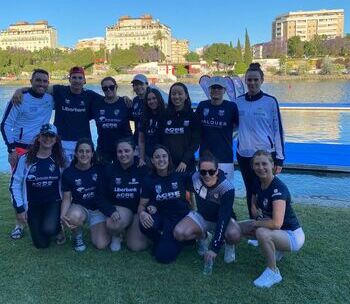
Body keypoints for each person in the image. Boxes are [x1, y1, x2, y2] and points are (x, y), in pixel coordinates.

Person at [1, 69, 54, 239]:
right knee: (20, 185)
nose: (41, 84)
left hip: (43, 147)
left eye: (45, 81)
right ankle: (19, 224)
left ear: (48, 83)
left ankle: (44, 217)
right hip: (21, 148)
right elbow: (4, 124)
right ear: (31, 80)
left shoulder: (50, 98)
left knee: (42, 184)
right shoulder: (20, 98)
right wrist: (11, 149)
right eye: (38, 80)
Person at [239, 150, 305, 288]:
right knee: (237, 227)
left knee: (261, 233)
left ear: (272, 165)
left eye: (264, 163)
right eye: (257, 164)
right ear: (252, 166)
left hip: (292, 235)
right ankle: (277, 249)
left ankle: (273, 272)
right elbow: (253, 203)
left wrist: (256, 223)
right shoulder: (257, 182)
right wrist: (256, 215)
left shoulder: (278, 188)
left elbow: (276, 223)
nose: (261, 167)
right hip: (277, 230)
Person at [235, 63, 285, 218]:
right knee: (250, 189)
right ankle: (253, 223)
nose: (252, 83)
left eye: (256, 79)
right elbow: (233, 126)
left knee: (265, 189)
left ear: (262, 80)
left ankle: (269, 221)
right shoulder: (238, 101)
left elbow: (278, 130)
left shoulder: (270, 101)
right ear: (245, 81)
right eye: (249, 80)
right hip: (244, 154)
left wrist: (279, 158)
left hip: (265, 154)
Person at [174, 152, 240, 264]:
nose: (207, 175)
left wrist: (214, 248)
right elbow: (176, 178)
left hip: (223, 219)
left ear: (217, 170)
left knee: (234, 235)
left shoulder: (227, 188)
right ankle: (204, 237)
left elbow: (223, 218)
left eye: (211, 171)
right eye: (203, 172)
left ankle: (229, 244)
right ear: (198, 171)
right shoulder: (194, 178)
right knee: (179, 233)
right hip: (202, 217)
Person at [9, 124, 66, 248]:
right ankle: (41, 223)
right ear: (39, 138)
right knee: (41, 244)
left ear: (55, 140)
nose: (47, 138)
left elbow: (66, 184)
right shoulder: (25, 159)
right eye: (44, 135)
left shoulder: (59, 160)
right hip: (33, 204)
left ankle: (56, 227)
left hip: (53, 202)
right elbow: (14, 185)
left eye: (51, 136)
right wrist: (20, 209)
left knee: (49, 230)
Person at [138, 145, 191, 264]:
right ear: (152, 160)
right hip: (161, 215)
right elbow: (142, 205)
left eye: (164, 156)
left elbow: (200, 182)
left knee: (163, 257)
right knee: (145, 224)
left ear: (169, 158)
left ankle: (181, 240)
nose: (161, 160)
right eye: (157, 157)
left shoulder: (180, 176)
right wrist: (142, 213)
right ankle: (161, 240)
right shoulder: (148, 179)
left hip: (178, 217)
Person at [97, 138, 149, 252]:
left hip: (137, 211)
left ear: (134, 151)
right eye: (120, 151)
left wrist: (147, 210)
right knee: (113, 224)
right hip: (120, 210)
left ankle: (129, 230)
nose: (123, 154)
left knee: (136, 246)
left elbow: (151, 192)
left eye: (127, 151)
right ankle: (117, 234)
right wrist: (110, 210)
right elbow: (100, 196)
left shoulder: (143, 168)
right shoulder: (109, 169)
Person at [60, 138, 109, 252]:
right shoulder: (68, 173)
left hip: (98, 210)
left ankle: (101, 229)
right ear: (76, 154)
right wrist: (62, 216)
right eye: (81, 151)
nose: (84, 154)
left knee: (101, 244)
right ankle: (78, 235)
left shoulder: (100, 168)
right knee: (73, 216)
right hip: (80, 207)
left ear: (92, 154)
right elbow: (67, 198)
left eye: (87, 151)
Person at [196, 76, 239, 181]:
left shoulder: (231, 107)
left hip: (225, 158)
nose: (216, 90)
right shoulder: (202, 106)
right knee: (205, 191)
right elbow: (196, 128)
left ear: (224, 90)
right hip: (205, 159)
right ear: (209, 89)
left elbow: (237, 126)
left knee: (226, 190)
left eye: (219, 88)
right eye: (213, 87)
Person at [161, 82, 200, 173]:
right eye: (173, 94)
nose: (176, 96)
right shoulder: (164, 116)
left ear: (186, 96)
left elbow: (195, 142)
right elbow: (160, 140)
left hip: (186, 164)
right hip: (166, 164)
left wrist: (184, 161)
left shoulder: (192, 117)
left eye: (180, 94)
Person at [91, 77, 132, 163]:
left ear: (116, 87)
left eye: (111, 87)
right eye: (105, 88)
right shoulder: (97, 105)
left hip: (123, 150)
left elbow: (140, 118)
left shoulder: (125, 103)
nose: (108, 90)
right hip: (103, 149)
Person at [138, 88, 165, 166]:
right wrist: (142, 158)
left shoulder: (166, 115)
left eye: (154, 98)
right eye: (149, 99)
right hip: (149, 157)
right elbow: (141, 140)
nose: (152, 101)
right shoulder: (144, 117)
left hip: (164, 156)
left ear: (159, 99)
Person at [131, 74, 149, 152]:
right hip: (137, 138)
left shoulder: (152, 99)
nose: (138, 87)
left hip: (150, 139)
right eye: (135, 85)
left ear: (147, 85)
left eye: (141, 84)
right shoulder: (135, 100)